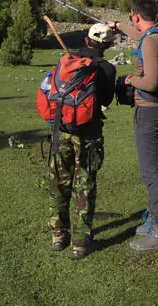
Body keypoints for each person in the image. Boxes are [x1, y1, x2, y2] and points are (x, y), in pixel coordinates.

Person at [42, 22, 116, 259]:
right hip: (89, 134)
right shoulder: (107, 69)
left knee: (58, 182)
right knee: (85, 185)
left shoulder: (68, 61)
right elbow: (106, 100)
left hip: (61, 129)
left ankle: (58, 235)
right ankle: (80, 243)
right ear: (108, 45)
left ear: (86, 40)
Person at [111, 0, 158, 252]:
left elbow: (150, 82)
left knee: (151, 171)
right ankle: (155, 219)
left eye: (131, 17)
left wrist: (129, 80)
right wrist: (118, 26)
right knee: (153, 166)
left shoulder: (150, 41)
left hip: (150, 110)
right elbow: (141, 37)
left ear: (136, 15)